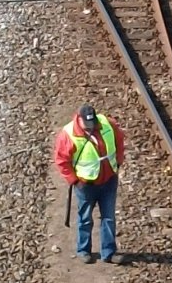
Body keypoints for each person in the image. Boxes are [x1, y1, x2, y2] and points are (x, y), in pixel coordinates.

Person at [53, 103, 126, 264]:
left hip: (108, 180)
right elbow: (61, 161)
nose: (90, 126)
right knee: (85, 218)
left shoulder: (107, 124)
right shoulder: (68, 134)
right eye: (86, 123)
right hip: (85, 185)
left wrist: (119, 161)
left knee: (109, 218)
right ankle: (83, 250)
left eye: (92, 123)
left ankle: (109, 253)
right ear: (78, 119)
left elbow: (119, 141)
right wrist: (74, 180)